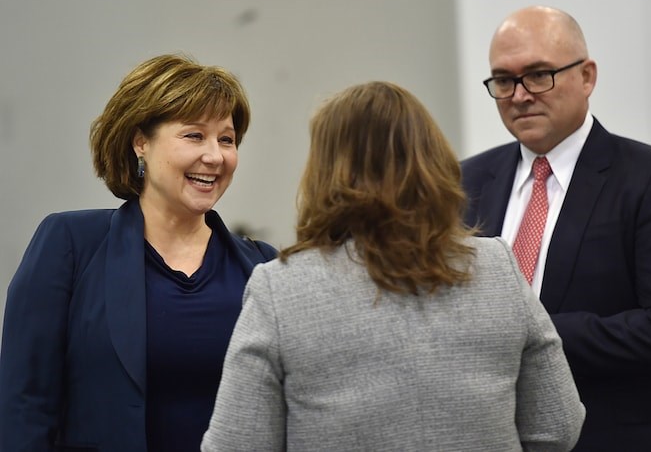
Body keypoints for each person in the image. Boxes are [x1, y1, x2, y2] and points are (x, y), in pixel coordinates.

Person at [201, 81, 585, 451]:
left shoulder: (280, 289)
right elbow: (557, 426)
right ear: (433, 161)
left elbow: (237, 443)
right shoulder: (497, 267)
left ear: (324, 172)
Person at [0, 54, 277, 452]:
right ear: (140, 142)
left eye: (227, 139)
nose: (215, 156)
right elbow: (24, 408)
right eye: (194, 136)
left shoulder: (262, 267)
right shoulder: (70, 244)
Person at [460, 5, 651, 451]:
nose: (519, 95)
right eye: (503, 80)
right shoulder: (462, 183)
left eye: (538, 75)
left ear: (587, 77)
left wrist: (535, 333)